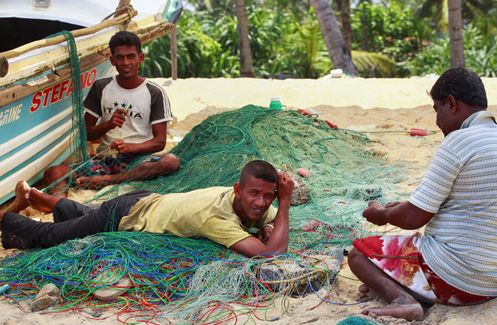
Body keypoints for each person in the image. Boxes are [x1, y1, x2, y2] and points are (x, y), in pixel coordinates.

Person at [347, 67, 497, 321]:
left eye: (437, 109)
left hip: (460, 281)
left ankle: (403, 299)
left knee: (359, 254)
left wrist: (382, 213)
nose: (437, 121)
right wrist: (404, 207)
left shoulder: (459, 141)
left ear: (451, 103)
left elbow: (413, 218)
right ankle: (406, 287)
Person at [0, 160, 294, 258]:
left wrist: (270, 221)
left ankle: (36, 197)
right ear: (237, 190)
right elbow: (271, 253)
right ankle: (8, 217)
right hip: (124, 214)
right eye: (254, 194)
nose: (260, 203)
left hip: (144, 200)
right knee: (49, 237)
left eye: (268, 197)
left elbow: (268, 224)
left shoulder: (246, 203)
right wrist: (285, 203)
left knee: (84, 221)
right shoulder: (215, 216)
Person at [43, 30, 180, 198]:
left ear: (141, 58)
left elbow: (160, 142)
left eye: (131, 57)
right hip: (106, 160)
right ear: (112, 60)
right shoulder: (101, 87)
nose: (125, 62)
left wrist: (130, 147)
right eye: (120, 57)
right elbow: (86, 134)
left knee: (170, 161)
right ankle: (60, 206)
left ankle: (108, 180)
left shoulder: (154, 92)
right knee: (54, 172)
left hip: (139, 161)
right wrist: (108, 125)